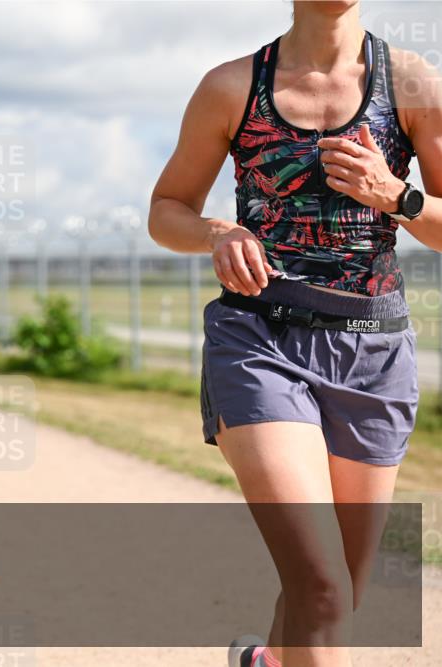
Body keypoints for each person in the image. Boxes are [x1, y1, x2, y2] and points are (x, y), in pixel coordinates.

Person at [147, 3, 440, 666]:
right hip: (260, 339)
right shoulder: (232, 86)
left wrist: (398, 195)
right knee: (323, 586)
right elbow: (166, 211)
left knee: (332, 594)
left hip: (374, 350)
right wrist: (218, 232)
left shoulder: (415, 85)